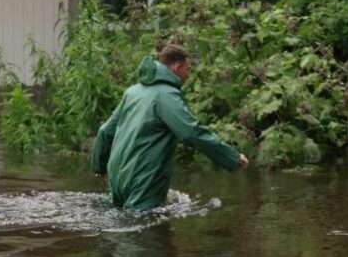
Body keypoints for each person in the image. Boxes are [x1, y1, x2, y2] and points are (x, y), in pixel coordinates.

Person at [91, 44, 249, 210]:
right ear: (176, 67)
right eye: (187, 69)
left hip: (117, 176)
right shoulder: (166, 95)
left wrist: (99, 167)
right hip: (144, 179)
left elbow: (105, 131)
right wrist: (233, 158)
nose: (188, 75)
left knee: (124, 225)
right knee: (144, 231)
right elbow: (191, 133)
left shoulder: (132, 92)